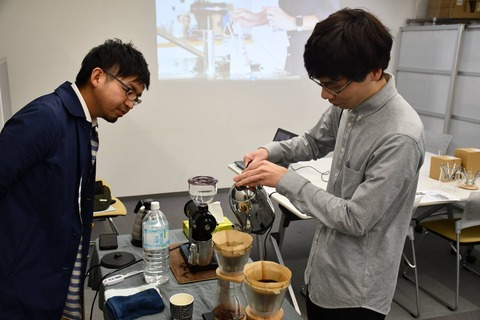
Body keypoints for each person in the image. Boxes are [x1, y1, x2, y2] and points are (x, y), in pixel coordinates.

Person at [233, 8, 425, 320]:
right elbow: (313, 141)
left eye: (333, 85)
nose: (325, 94)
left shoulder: (400, 135)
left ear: (375, 71)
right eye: (320, 83)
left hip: (356, 293)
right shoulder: (350, 103)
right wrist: (269, 152)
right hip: (323, 270)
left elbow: (355, 218)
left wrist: (285, 180)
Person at [0, 39, 150, 319]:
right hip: (20, 283)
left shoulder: (82, 124)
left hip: (49, 277)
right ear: (97, 76)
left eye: (136, 98)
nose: (130, 104)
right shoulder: (46, 117)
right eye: (128, 91)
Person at [233, 0, 339, 75]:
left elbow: (336, 15)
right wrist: (256, 19)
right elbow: (288, 15)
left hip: (323, 64)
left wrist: (293, 22)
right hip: (296, 63)